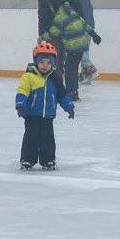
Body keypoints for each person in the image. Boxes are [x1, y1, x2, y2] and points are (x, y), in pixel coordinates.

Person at [15, 42, 75, 171]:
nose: (45, 65)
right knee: (31, 137)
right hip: (31, 114)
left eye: (48, 62)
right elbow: (22, 91)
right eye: (42, 62)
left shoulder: (55, 78)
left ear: (52, 63)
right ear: (36, 61)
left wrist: (69, 107)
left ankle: (48, 160)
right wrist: (20, 105)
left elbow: (62, 94)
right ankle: (27, 160)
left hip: (48, 115)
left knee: (47, 138)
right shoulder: (29, 76)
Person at [39, 0, 102, 101]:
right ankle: (73, 91)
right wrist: (94, 34)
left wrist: (42, 38)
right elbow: (84, 23)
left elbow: (53, 33)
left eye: (51, 6)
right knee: (72, 68)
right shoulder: (72, 12)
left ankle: (71, 92)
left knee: (69, 70)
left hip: (74, 47)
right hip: (82, 46)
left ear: (55, 4)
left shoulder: (60, 18)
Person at [62, 0, 99, 85]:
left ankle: (88, 67)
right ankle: (86, 75)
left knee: (78, 47)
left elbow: (73, 8)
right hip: (90, 24)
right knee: (85, 48)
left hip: (80, 24)